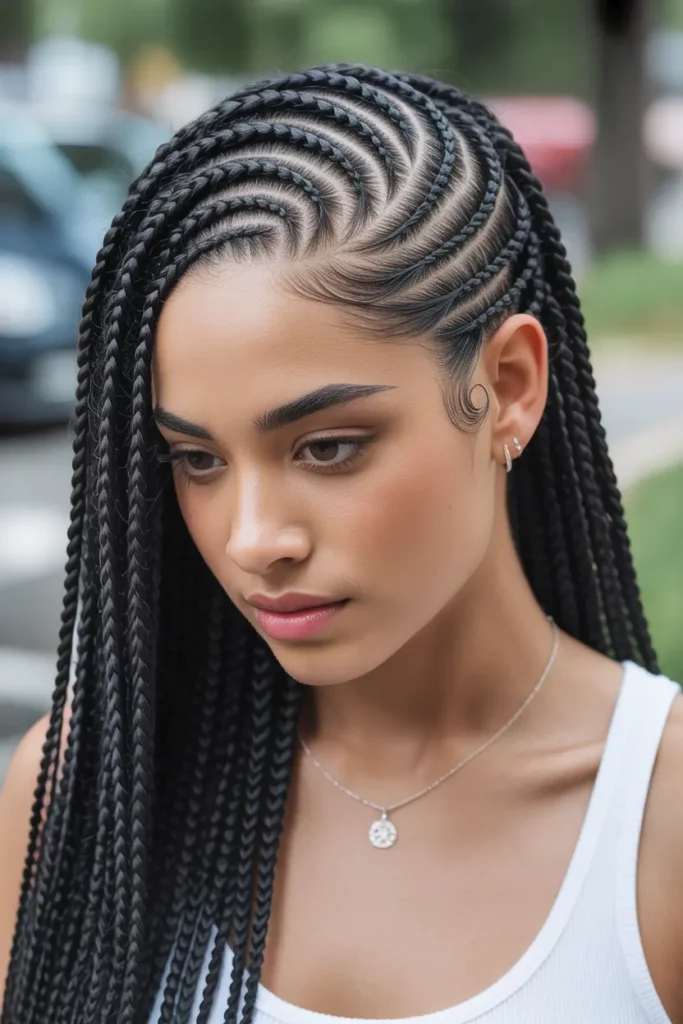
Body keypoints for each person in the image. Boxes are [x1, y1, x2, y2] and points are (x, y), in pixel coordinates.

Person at [1, 62, 682, 1024]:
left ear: (509, 389)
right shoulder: (88, 794)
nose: (254, 540)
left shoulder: (662, 820)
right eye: (197, 459)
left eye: (327, 447)